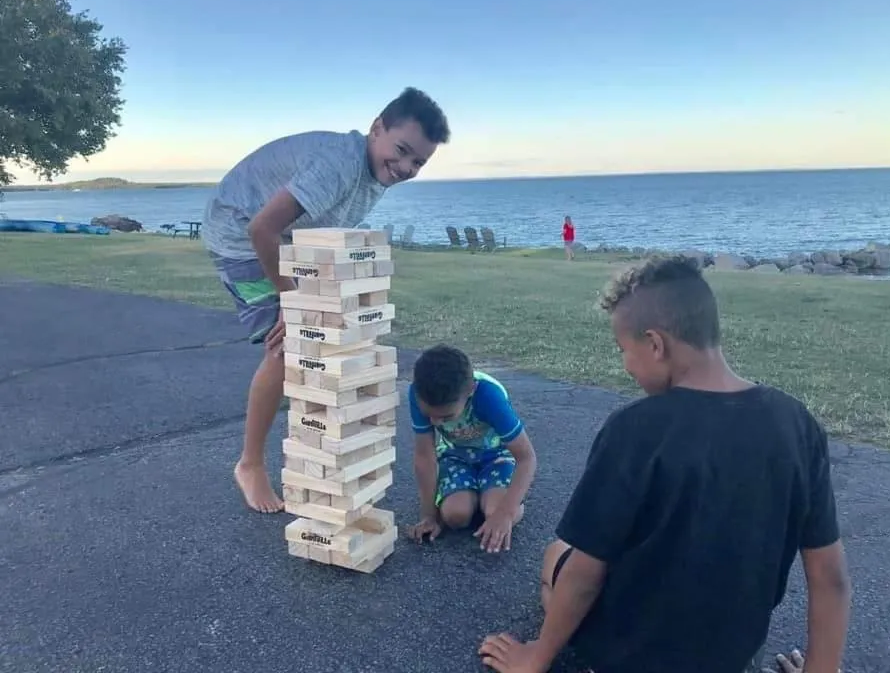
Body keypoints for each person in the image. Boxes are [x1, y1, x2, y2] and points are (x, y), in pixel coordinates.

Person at [478, 255, 851, 673]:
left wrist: (536, 657)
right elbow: (829, 577)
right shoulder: (796, 422)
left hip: (630, 658)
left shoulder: (633, 430)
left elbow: (585, 573)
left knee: (557, 557)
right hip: (734, 655)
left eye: (624, 350)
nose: (625, 365)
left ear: (655, 345)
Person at [201, 87, 451, 513]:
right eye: (402, 150)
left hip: (287, 242)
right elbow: (261, 228)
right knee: (288, 346)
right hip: (240, 237)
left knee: (331, 336)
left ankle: (327, 452)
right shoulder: (339, 164)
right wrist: (291, 300)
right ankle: (250, 464)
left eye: (419, 162)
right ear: (376, 129)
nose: (406, 167)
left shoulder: (377, 171)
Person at [408, 344, 538, 554]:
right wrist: (429, 515)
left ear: (471, 391)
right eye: (429, 414)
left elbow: (527, 458)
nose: (435, 422)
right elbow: (425, 456)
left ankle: (503, 501)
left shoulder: (489, 396)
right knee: (455, 516)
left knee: (496, 511)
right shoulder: (418, 393)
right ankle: (479, 496)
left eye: (446, 417)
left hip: (497, 455)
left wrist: (505, 513)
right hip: (455, 455)